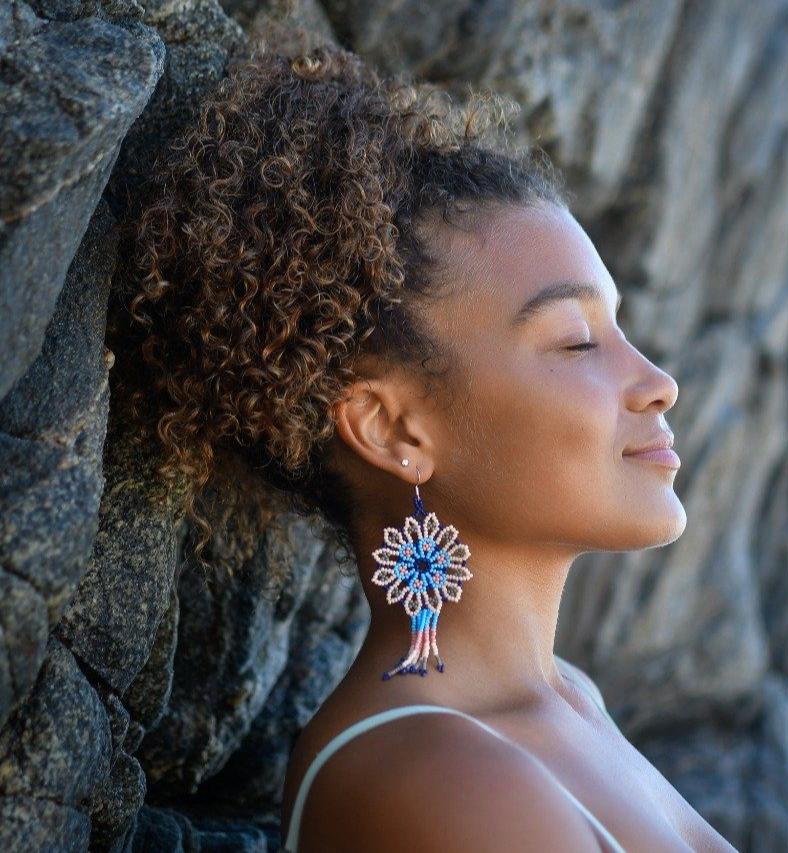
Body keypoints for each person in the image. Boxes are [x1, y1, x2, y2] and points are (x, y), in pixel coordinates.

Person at [120, 37, 739, 853]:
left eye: (617, 327)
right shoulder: (435, 772)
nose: (657, 380)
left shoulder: (568, 702)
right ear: (391, 428)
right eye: (574, 342)